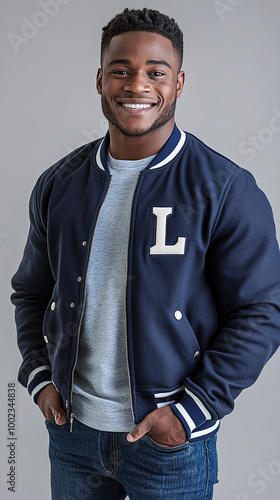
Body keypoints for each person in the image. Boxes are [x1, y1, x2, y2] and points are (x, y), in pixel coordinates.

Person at [11, 7, 280, 500]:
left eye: (155, 72)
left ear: (178, 82)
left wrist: (190, 412)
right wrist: (39, 378)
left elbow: (261, 312)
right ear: (99, 80)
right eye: (121, 69)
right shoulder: (58, 184)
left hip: (168, 446)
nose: (138, 84)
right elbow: (30, 291)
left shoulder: (225, 189)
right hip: (72, 435)